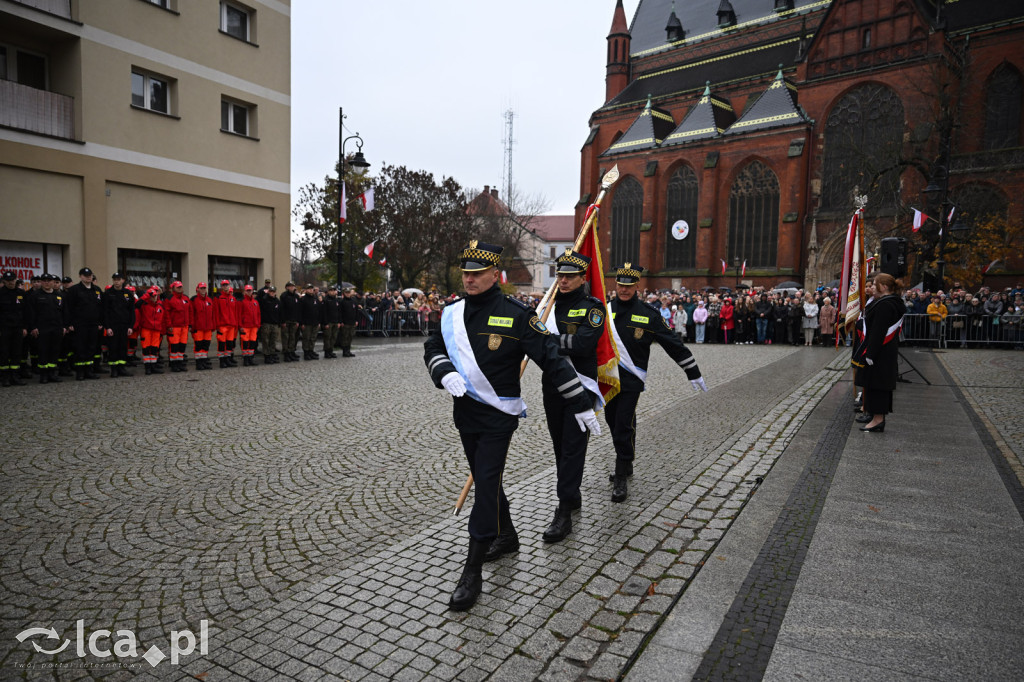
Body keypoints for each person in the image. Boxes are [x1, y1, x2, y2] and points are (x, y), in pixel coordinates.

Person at [423, 240, 599, 611]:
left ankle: (471, 572)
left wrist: (580, 402)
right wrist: (443, 371)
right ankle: (509, 536)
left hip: (499, 417)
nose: (469, 279)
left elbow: (552, 360)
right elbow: (433, 346)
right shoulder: (451, 312)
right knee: (486, 478)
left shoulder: (519, 315)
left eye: (477, 273)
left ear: (495, 275)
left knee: (485, 483)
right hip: (465, 414)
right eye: (465, 273)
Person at [605, 263, 707, 503]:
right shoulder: (605, 311)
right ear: (615, 285)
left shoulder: (649, 314)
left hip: (631, 380)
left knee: (623, 424)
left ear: (637, 286)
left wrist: (692, 371)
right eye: (620, 285)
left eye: (628, 286)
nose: (624, 290)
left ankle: (621, 474)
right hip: (608, 378)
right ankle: (626, 461)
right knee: (614, 421)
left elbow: (672, 342)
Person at [537, 249, 607, 545]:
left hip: (581, 387)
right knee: (559, 444)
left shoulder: (593, 307)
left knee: (573, 447)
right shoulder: (547, 306)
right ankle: (572, 492)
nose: (562, 280)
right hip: (552, 385)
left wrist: (548, 340)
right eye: (560, 275)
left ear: (582, 278)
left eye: (569, 276)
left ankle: (563, 511)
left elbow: (582, 343)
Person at [851, 273, 905, 432]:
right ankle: (876, 417)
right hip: (883, 352)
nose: (872, 287)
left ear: (884, 287)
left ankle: (877, 419)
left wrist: (870, 354)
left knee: (878, 385)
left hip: (879, 353)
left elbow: (878, 332)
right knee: (876, 384)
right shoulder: (887, 302)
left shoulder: (885, 305)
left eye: (875, 284)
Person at [64, 267, 104, 380]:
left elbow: (101, 308)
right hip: (79, 324)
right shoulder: (74, 290)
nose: (88, 277)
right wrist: (69, 323)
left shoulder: (96, 290)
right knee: (80, 348)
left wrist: (101, 322)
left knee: (91, 348)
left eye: (90, 275)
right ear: (80, 276)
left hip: (93, 324)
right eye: (86, 276)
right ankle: (80, 372)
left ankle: (89, 371)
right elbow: (68, 308)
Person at [27, 274, 66, 384]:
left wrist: (64, 326)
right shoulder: (35, 296)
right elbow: (31, 313)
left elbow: (64, 313)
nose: (47, 283)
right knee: (43, 351)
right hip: (42, 329)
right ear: (42, 282)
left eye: (49, 281)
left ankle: (52, 374)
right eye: (44, 281)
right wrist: (33, 327)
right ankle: (43, 375)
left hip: (57, 328)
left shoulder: (59, 296)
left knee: (55, 351)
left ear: (53, 282)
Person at [102, 272, 135, 377]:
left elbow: (131, 311)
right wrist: (107, 327)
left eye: (118, 279)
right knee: (113, 347)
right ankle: (114, 369)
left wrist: (130, 326)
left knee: (123, 347)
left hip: (124, 326)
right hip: (113, 326)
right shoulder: (108, 294)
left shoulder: (127, 294)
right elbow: (105, 312)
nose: (116, 281)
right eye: (115, 279)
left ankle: (122, 368)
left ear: (123, 280)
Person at [0, 271, 28, 386]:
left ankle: (15, 377)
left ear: (16, 280)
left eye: (12, 280)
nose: (11, 282)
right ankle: (5, 378)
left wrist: (25, 327)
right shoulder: (0, 293)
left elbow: (26, 312)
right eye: (8, 281)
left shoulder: (21, 293)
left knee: (17, 353)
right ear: (4, 281)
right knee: (4, 353)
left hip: (18, 328)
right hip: (4, 328)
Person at [135, 286, 167, 375]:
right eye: (152, 296)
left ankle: (153, 366)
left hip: (156, 331)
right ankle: (147, 368)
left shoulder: (160, 305)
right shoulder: (144, 305)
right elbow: (136, 305)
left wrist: (163, 330)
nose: (154, 298)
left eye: (155, 296)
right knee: (146, 349)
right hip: (146, 330)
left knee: (154, 349)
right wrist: (146, 296)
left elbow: (163, 319)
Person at [165, 281, 191, 372]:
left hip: (184, 326)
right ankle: (173, 364)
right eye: (178, 287)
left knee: (182, 346)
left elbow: (190, 312)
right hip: (174, 327)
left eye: (181, 287)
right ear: (173, 289)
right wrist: (169, 325)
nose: (180, 288)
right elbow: (167, 313)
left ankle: (180, 363)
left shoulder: (186, 298)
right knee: (174, 347)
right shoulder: (169, 299)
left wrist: (189, 324)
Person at [190, 283, 216, 370]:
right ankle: (199, 363)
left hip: (208, 328)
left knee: (206, 346)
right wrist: (192, 326)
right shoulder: (194, 300)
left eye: (204, 288)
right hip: (198, 328)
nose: (203, 290)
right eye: (201, 288)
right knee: (198, 346)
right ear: (197, 289)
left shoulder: (209, 300)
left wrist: (213, 325)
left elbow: (213, 314)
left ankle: (204, 362)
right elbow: (191, 314)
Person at [214, 280, 239, 368]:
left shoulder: (233, 298)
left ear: (229, 286)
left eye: (227, 285)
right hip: (222, 325)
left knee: (229, 344)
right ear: (221, 287)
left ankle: (228, 360)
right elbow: (216, 312)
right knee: (221, 344)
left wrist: (236, 323)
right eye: (223, 285)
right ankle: (222, 361)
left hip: (231, 325)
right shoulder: (218, 297)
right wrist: (217, 325)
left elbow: (235, 312)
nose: (225, 287)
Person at [238, 285, 262, 365]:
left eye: (250, 290)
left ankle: (251, 359)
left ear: (252, 291)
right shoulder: (242, 302)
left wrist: (258, 325)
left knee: (252, 343)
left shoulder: (255, 302)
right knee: (245, 343)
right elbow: (239, 314)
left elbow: (258, 314)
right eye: (247, 290)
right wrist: (240, 325)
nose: (249, 292)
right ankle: (245, 360)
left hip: (254, 326)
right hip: (245, 326)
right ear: (244, 292)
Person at [258, 285, 281, 364]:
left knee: (273, 340)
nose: (272, 293)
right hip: (266, 323)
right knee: (266, 340)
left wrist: (279, 322)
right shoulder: (264, 300)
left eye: (273, 292)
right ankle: (266, 356)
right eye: (270, 291)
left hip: (274, 324)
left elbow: (279, 312)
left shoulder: (277, 301)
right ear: (268, 292)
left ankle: (272, 354)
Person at [279, 282, 301, 362]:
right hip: (286, 320)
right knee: (286, 337)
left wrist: (298, 320)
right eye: (290, 286)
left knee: (293, 337)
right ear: (286, 287)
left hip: (294, 320)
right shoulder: (284, 296)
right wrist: (283, 321)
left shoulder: (296, 296)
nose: (292, 288)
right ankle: (286, 353)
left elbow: (298, 309)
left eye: (293, 286)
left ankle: (291, 352)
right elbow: (282, 309)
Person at [299, 283, 321, 360]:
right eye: (309, 289)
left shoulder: (315, 298)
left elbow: (318, 310)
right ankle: (306, 352)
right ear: (306, 290)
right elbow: (300, 312)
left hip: (315, 322)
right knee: (306, 338)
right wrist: (302, 323)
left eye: (312, 289)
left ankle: (311, 351)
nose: (311, 290)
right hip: (306, 323)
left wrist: (318, 322)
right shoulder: (303, 299)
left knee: (313, 338)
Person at [320, 285, 341, 358]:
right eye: (331, 290)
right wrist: (325, 323)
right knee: (327, 338)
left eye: (334, 290)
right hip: (328, 322)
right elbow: (324, 313)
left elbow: (339, 312)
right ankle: (327, 352)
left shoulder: (336, 300)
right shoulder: (325, 300)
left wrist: (339, 322)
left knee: (333, 337)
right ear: (328, 291)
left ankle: (331, 351)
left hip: (335, 321)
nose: (333, 292)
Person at [339, 286, 360, 357]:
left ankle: (348, 350)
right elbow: (340, 312)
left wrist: (356, 320)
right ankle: (345, 351)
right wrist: (341, 321)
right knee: (345, 337)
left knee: (350, 337)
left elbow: (356, 311)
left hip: (352, 322)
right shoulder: (342, 302)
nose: (348, 294)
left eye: (349, 293)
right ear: (344, 293)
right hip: (345, 322)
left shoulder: (353, 301)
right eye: (346, 293)